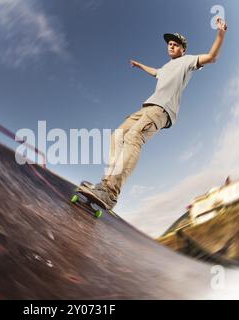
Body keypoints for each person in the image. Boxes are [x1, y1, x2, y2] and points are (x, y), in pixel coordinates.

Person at [80, 17, 228, 210]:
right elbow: (155, 72)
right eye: (169, 44)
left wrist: (221, 33)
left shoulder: (188, 61)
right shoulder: (166, 67)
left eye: (175, 45)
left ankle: (111, 192)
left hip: (161, 110)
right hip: (147, 107)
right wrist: (140, 65)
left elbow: (211, 57)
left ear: (183, 49)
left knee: (134, 137)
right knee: (117, 135)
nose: (171, 47)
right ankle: (105, 184)